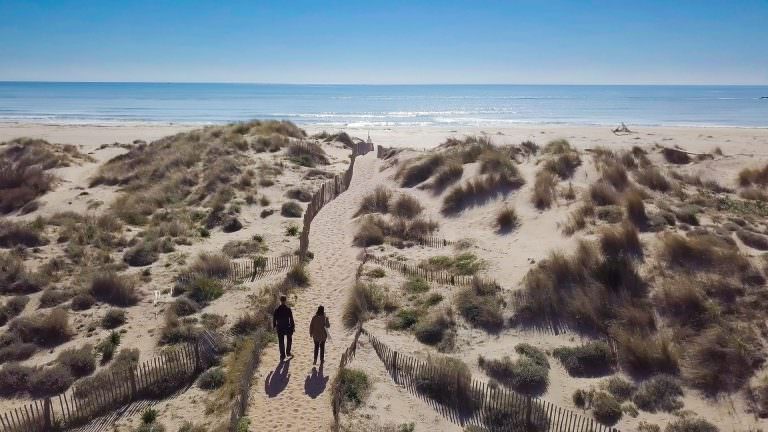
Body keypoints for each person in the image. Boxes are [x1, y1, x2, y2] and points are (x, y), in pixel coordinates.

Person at [273, 295, 294, 361]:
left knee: (281, 341)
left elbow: (274, 319)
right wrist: (292, 326)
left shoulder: (277, 309)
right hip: (287, 326)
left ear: (280, 300)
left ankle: (282, 355)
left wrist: (274, 326)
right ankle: (288, 352)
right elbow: (291, 319)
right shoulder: (288, 309)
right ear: (285, 300)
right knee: (289, 339)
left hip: (280, 327)